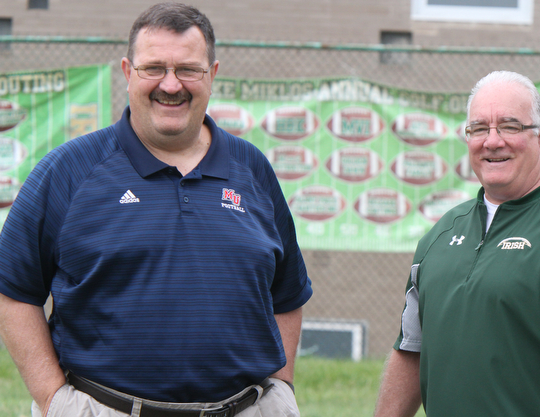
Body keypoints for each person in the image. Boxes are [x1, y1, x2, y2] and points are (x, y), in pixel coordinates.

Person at [0, 3, 312, 417]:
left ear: (211, 75)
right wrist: (54, 399)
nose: (170, 84)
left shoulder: (252, 168)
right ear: (128, 73)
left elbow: (287, 294)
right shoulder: (70, 170)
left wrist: (281, 390)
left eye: (188, 69)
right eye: (153, 69)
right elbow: (13, 291)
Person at [375, 70, 540, 416]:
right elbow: (410, 349)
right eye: (479, 129)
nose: (492, 141)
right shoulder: (443, 234)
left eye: (509, 126)